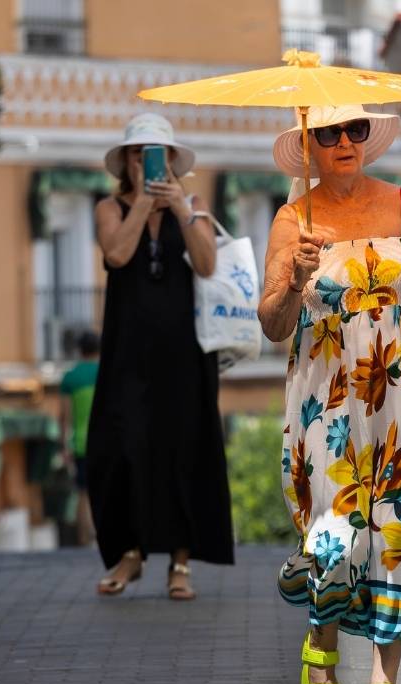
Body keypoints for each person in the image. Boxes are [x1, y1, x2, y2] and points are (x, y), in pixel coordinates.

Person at [259, 105, 401, 684]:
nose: (345, 141)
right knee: (336, 527)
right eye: (329, 132)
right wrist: (294, 278)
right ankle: (321, 654)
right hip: (325, 403)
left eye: (356, 129)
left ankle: (383, 680)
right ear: (310, 144)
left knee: (397, 528)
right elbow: (272, 324)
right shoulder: (293, 220)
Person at [86, 112, 233, 600]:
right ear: (126, 161)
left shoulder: (193, 204)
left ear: (171, 160)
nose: (145, 161)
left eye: (155, 153)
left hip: (185, 352)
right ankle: (130, 552)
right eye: (137, 153)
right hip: (127, 350)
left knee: (183, 447)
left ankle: (180, 561)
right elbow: (117, 255)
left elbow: (207, 263)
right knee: (122, 445)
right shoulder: (109, 207)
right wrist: (145, 203)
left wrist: (179, 209)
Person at [59, 331, 99, 545]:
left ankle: (85, 539)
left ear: (80, 350)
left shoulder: (70, 378)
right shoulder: (106, 373)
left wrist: (65, 447)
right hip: (106, 442)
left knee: (83, 492)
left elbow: (64, 417)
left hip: (81, 444)